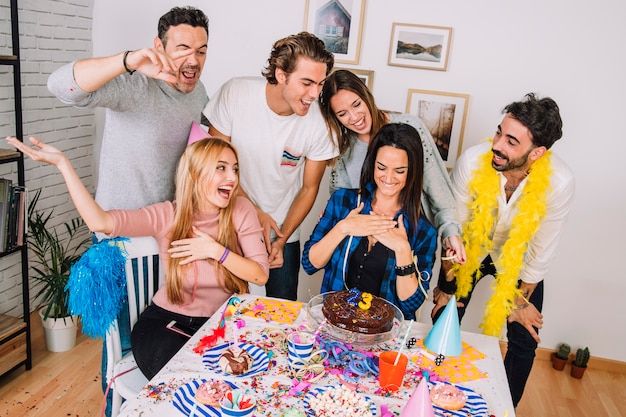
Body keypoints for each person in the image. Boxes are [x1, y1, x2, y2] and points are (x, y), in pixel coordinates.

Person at [7, 135, 270, 379]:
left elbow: (260, 273)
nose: (232, 177)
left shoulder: (241, 210)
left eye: (235, 169)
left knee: (244, 378)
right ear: (195, 173)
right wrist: (63, 164)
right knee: (187, 384)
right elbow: (100, 221)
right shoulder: (167, 215)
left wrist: (215, 250)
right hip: (166, 324)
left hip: (223, 325)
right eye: (221, 168)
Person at [430, 93, 575, 407]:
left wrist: (521, 301)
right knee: (444, 319)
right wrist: (446, 287)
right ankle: (433, 397)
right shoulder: (473, 160)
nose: (497, 144)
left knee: (524, 338)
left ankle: (502, 408)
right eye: (499, 132)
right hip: (471, 246)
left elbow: (541, 250)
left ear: (537, 152)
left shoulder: (559, 182)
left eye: (512, 141)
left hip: (518, 259)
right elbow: (453, 230)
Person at [204, 32, 337, 301]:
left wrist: (282, 236)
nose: (315, 94)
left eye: (320, 84)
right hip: (227, 222)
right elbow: (213, 166)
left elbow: (309, 189)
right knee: (221, 309)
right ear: (280, 75)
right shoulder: (235, 93)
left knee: (281, 313)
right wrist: (254, 213)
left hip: (282, 232)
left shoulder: (320, 124)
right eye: (307, 83)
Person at [47, 6, 210, 210]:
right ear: (159, 46)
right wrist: (127, 61)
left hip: (167, 226)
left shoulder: (198, 91)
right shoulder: (135, 85)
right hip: (119, 228)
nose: (194, 61)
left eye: (201, 51)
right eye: (183, 49)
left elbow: (218, 124)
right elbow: (59, 86)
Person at [319, 69, 466, 264]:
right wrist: (331, 214)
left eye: (357, 104)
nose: (354, 117)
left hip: (409, 245)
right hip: (358, 256)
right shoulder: (343, 150)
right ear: (335, 117)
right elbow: (342, 207)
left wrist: (451, 233)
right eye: (343, 113)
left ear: (366, 96)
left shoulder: (409, 128)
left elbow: (440, 193)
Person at [302, 123, 437, 319]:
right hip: (334, 325)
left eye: (399, 171)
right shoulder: (343, 201)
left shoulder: (423, 230)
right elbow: (309, 264)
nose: (388, 178)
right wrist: (344, 227)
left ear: (412, 172)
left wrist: (402, 249)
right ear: (372, 163)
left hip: (385, 335)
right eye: (381, 167)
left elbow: (410, 305)